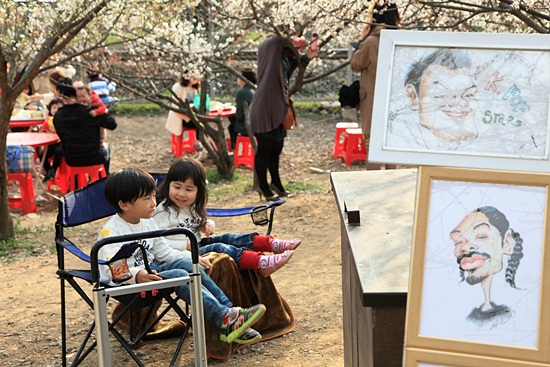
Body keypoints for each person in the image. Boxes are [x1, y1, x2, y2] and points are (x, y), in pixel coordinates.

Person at [98, 167, 266, 344]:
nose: (154, 203)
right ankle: (225, 318)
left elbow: (164, 252)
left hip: (152, 272)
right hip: (128, 285)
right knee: (181, 276)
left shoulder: (148, 222)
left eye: (154, 196)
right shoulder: (111, 233)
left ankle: (231, 315)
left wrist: (190, 257)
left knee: (189, 266)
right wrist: (137, 275)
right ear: (124, 204)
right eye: (146, 198)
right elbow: (113, 270)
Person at [153, 158, 300, 277]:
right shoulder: (163, 212)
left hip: (198, 244)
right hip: (183, 254)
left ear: (198, 192)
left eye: (189, 189)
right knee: (220, 248)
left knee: (231, 237)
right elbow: (155, 243)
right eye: (177, 187)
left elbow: (200, 221)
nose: (182, 194)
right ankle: (260, 263)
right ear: (168, 185)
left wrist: (208, 223)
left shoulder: (192, 206)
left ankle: (271, 245)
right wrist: (183, 245)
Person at [249, 33, 319, 201]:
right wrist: (295, 41)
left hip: (278, 108)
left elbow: (297, 64)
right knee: (265, 149)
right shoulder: (270, 46)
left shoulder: (282, 55)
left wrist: (308, 54)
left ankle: (276, 184)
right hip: (265, 107)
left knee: (276, 148)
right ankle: (263, 187)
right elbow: (278, 40)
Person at [450, 206, 524, 327]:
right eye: (458, 242)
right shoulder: (470, 314)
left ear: (507, 242)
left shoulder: (522, 309)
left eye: (480, 237)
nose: (464, 248)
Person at [350, 1, 400, 170]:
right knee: (390, 145)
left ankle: (374, 183)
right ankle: (392, 181)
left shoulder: (371, 42)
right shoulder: (400, 39)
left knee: (373, 147)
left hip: (372, 100)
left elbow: (355, 63)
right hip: (394, 100)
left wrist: (361, 40)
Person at [398, 48, 479, 149]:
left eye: (469, 95)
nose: (462, 103)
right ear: (413, 97)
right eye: (443, 96)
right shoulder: (402, 144)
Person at [52, 77, 117, 176]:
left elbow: (61, 137)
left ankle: (77, 184)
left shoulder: (58, 116)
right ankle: (104, 178)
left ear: (60, 95)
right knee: (106, 148)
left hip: (72, 159)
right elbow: (112, 124)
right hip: (93, 157)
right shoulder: (88, 111)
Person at [165, 73, 202, 143]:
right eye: (192, 75)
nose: (195, 77)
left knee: (203, 122)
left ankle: (199, 143)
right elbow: (175, 106)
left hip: (193, 116)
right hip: (180, 118)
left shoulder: (195, 88)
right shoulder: (177, 87)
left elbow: (197, 103)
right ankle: (198, 143)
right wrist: (189, 116)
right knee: (200, 124)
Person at [227, 68, 256, 150]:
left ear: (243, 79)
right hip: (257, 124)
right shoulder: (254, 89)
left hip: (247, 126)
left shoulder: (242, 92)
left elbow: (239, 116)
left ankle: (234, 148)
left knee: (231, 127)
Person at [41, 98, 64, 181]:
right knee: (42, 155)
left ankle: (53, 169)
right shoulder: (48, 120)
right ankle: (49, 171)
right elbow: (43, 132)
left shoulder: (65, 120)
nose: (56, 110)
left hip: (62, 143)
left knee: (58, 151)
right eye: (54, 108)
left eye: (59, 108)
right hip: (51, 143)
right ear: (50, 110)